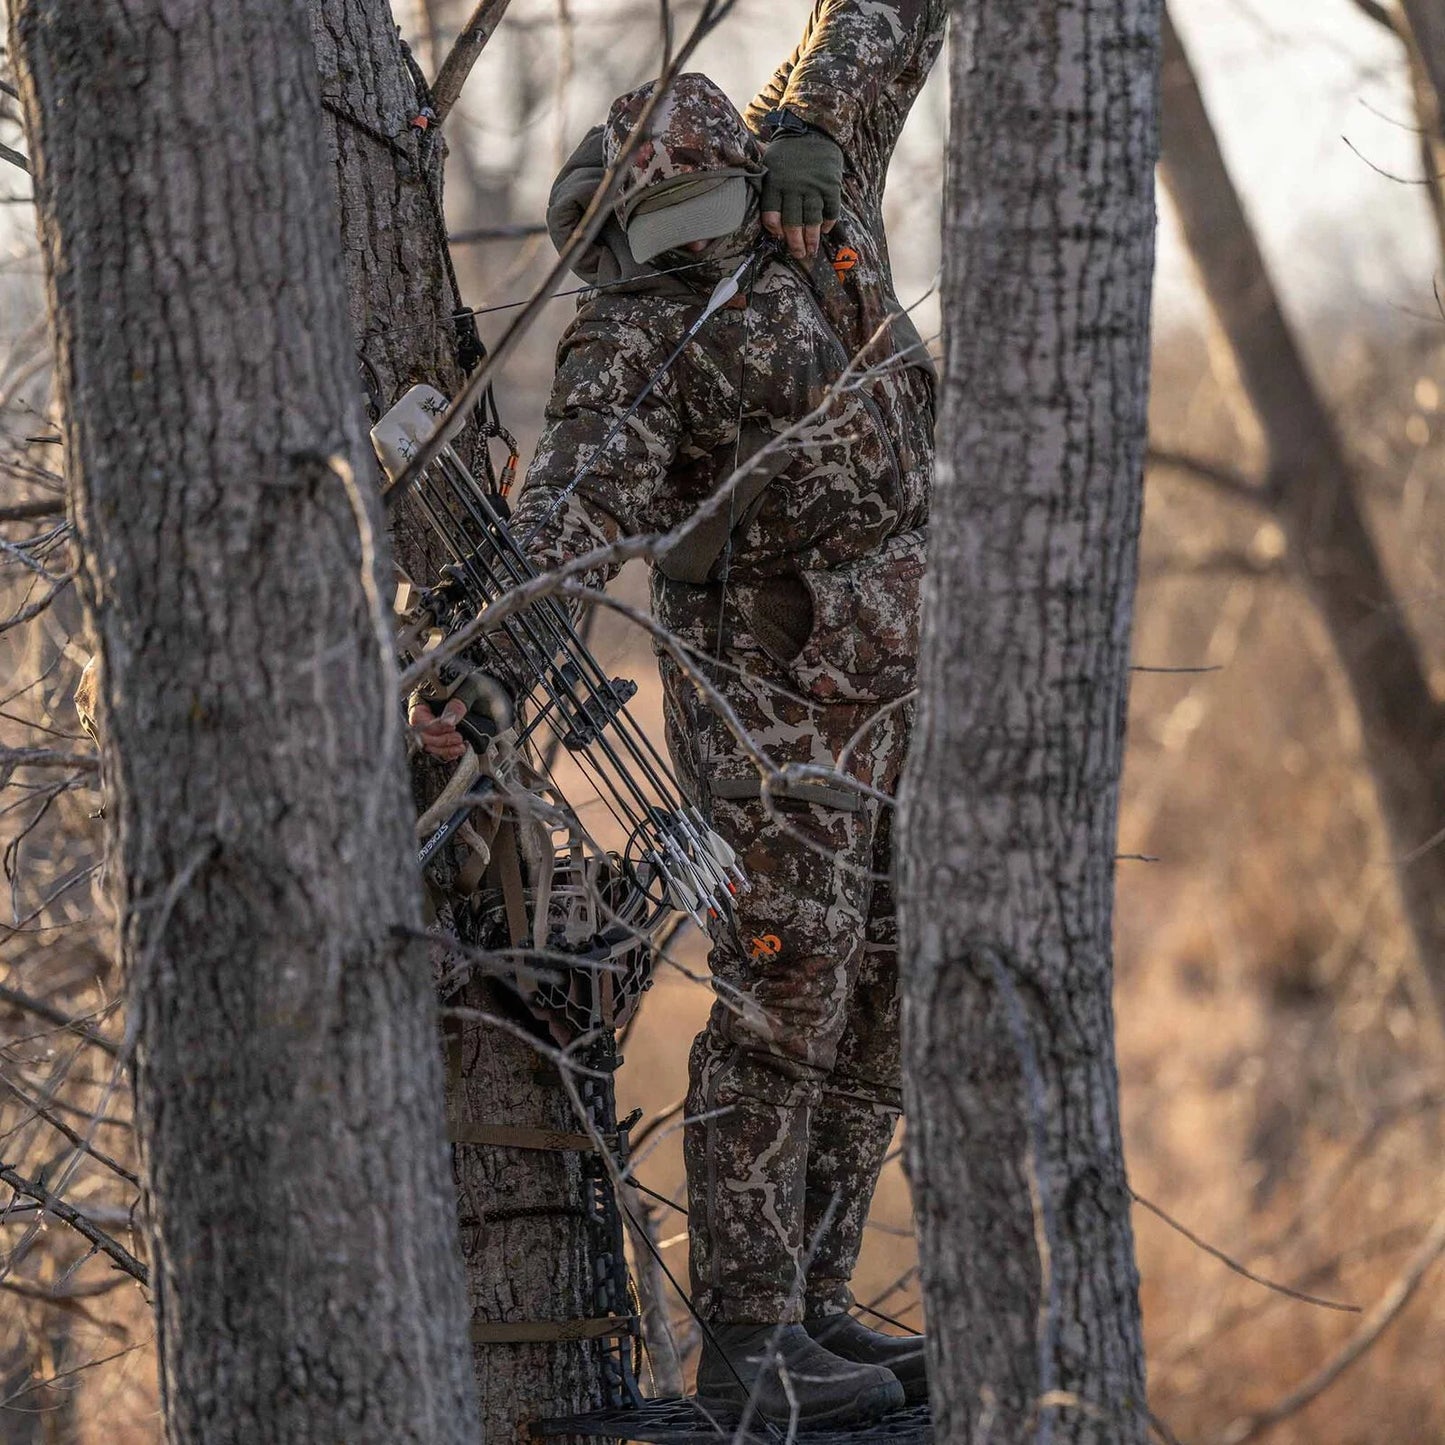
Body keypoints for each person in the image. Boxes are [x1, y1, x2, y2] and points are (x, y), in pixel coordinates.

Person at [418, 0, 944, 1424]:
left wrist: (815, 142)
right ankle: (752, 1338)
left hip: (903, 687)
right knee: (787, 994)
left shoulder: (809, 185)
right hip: (774, 717)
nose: (684, 244)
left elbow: (874, 33)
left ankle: (818, 1306)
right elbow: (569, 535)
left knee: (882, 1000)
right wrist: (471, 685)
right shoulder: (631, 342)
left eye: (700, 207)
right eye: (644, 231)